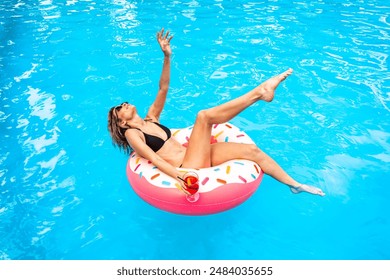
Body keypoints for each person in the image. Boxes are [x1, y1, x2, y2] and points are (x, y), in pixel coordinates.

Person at [108, 28, 325, 197]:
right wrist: (182, 177)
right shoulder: (132, 134)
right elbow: (155, 159)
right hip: (188, 166)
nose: (124, 104)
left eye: (124, 103)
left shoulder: (151, 118)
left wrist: (166, 56)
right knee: (204, 117)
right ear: (122, 123)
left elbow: (163, 87)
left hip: (196, 155)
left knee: (252, 151)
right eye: (120, 108)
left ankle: (295, 185)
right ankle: (260, 93)